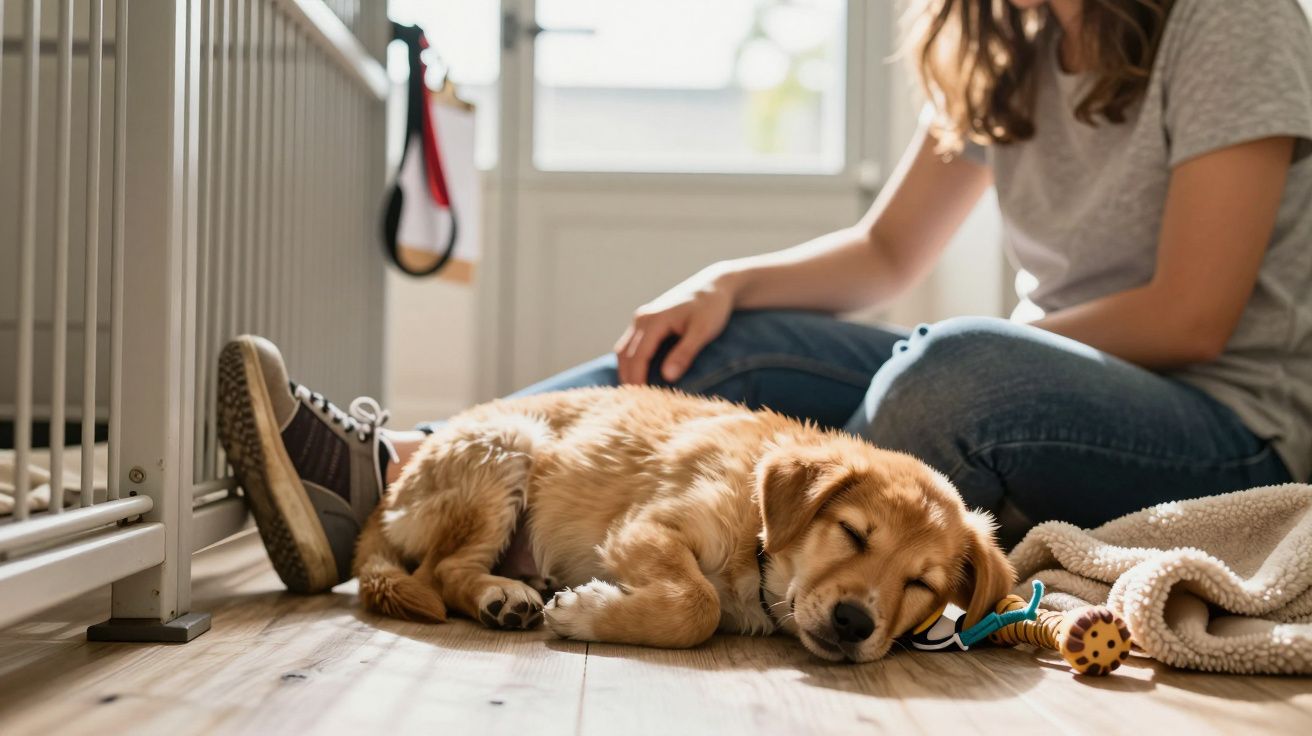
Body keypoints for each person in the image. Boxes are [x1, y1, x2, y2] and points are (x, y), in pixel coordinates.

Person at [218, 0, 1312, 594]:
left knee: (946, 372)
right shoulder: (1008, 33)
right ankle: (409, 468)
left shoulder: (1232, 15)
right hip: (1047, 373)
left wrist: (967, 364)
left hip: (1225, 422)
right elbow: (886, 252)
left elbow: (1189, 313)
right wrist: (724, 282)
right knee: (731, 346)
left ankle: (701, 557)